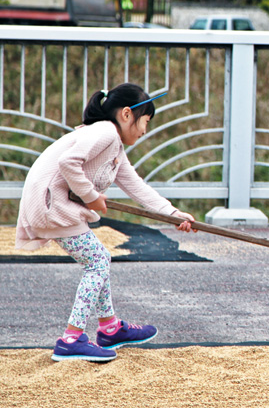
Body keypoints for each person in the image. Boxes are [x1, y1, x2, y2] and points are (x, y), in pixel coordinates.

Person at [16, 83, 196, 362]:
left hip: (51, 202)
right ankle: (71, 339)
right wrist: (91, 196)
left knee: (99, 259)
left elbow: (136, 186)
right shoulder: (105, 132)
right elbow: (68, 162)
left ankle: (109, 328)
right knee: (98, 261)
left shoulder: (113, 146)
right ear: (127, 114)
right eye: (145, 122)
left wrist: (172, 214)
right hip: (51, 204)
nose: (144, 131)